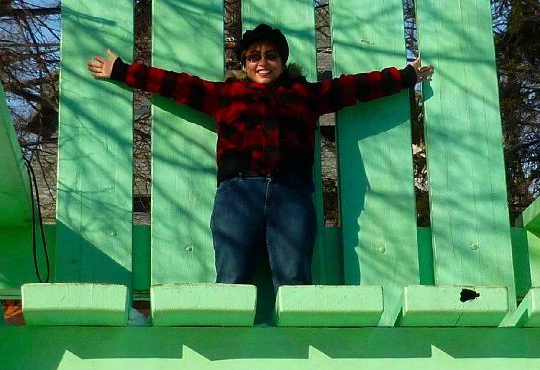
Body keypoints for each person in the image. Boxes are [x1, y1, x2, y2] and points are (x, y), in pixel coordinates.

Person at [85, 23, 433, 296]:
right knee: (233, 275)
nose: (262, 63)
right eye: (253, 56)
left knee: (295, 276)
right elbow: (177, 85)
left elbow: (353, 88)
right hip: (238, 194)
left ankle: (298, 352)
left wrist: (405, 76)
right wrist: (121, 71)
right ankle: (230, 351)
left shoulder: (305, 95)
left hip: (292, 194)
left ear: (282, 62)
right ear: (244, 64)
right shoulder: (225, 95)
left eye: (270, 56)